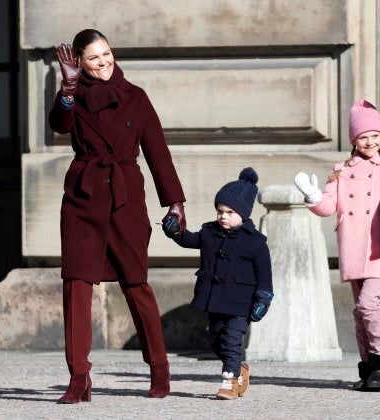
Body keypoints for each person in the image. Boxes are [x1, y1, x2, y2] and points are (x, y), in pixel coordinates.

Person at [48, 29, 187, 402]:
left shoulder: (135, 97)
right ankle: (79, 377)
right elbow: (58, 125)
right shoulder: (73, 95)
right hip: (83, 197)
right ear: (78, 62)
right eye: (94, 58)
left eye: (106, 54)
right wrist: (67, 89)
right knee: (76, 284)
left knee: (136, 283)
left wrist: (174, 202)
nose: (104, 62)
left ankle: (159, 368)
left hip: (125, 198)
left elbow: (157, 151)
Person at [295, 99, 380, 391]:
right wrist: (312, 196)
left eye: (375, 135)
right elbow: (329, 205)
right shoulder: (341, 169)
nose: (370, 141)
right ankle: (369, 368)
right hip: (352, 245)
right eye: (363, 136)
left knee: (369, 303)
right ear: (354, 139)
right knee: (360, 309)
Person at [162, 167, 273, 400]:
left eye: (230, 212)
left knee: (233, 340)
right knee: (216, 341)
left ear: (243, 214)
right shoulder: (209, 232)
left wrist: (264, 297)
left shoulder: (255, 243)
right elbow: (189, 240)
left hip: (241, 302)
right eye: (220, 211)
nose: (223, 216)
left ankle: (229, 381)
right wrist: (175, 231)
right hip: (215, 300)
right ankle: (240, 370)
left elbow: (264, 274)